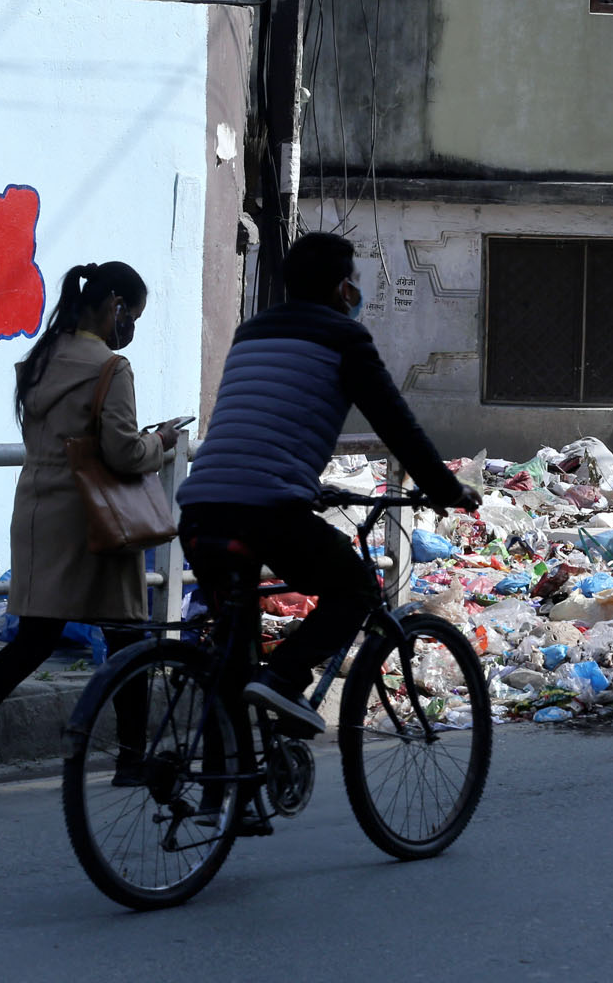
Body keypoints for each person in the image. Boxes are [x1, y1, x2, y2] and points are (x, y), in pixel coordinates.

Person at [177, 232, 479, 735]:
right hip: (266, 512)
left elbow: (263, 427)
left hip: (201, 508)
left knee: (234, 655)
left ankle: (221, 800)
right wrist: (448, 489)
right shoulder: (345, 338)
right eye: (356, 283)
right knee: (358, 588)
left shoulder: (250, 333)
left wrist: (306, 485)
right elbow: (396, 425)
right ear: (343, 289)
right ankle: (288, 676)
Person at [0, 261, 186, 796]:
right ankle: (132, 760)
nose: (130, 327)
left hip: (37, 511)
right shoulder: (112, 368)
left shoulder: (41, 359)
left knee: (33, 639)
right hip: (94, 518)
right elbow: (120, 451)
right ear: (115, 307)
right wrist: (158, 441)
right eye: (131, 315)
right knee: (127, 636)